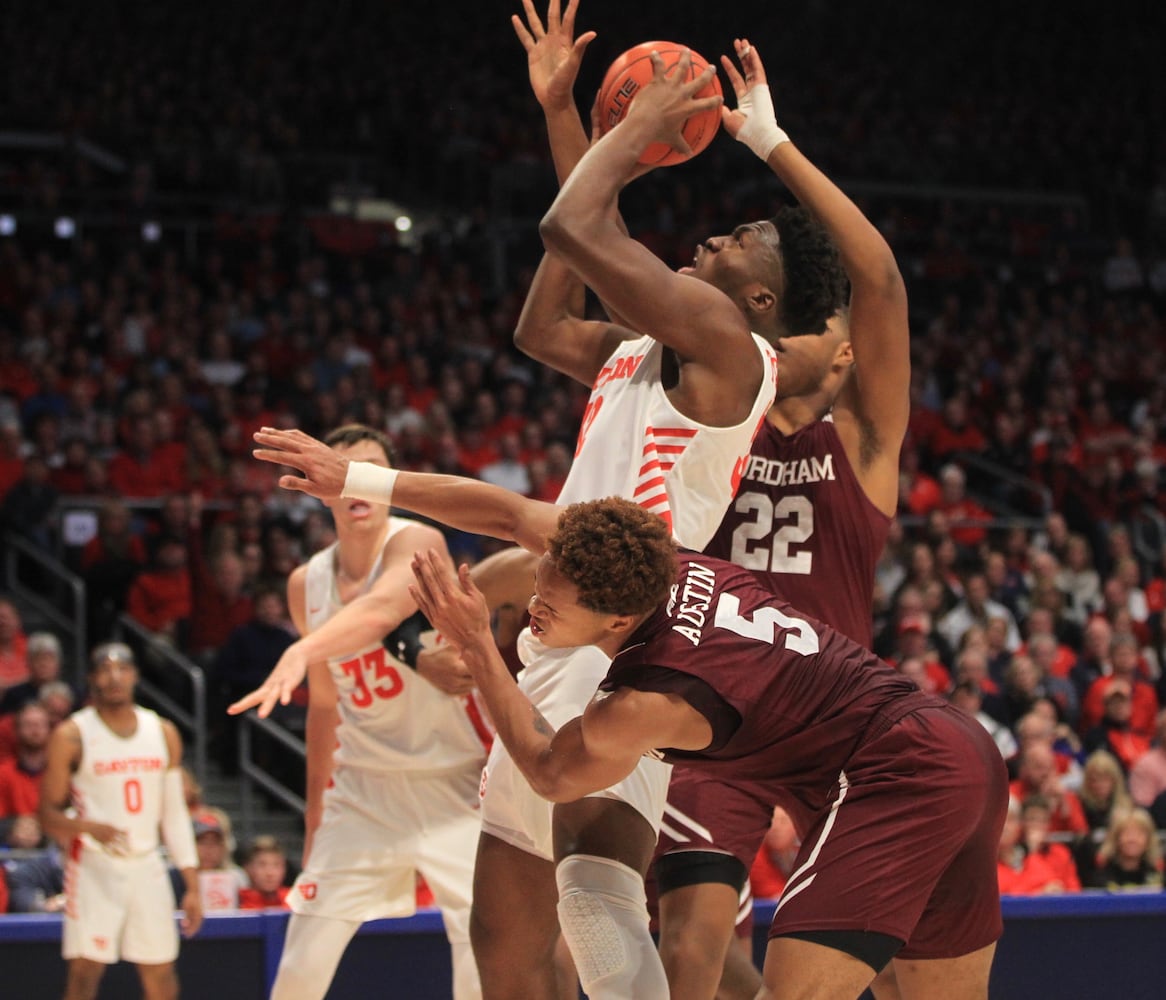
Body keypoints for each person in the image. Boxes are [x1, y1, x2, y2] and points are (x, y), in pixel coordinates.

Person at [243, 430, 1008, 1000]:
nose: (531, 612)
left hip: (893, 775)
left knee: (790, 990)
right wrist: (362, 478)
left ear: (614, 624)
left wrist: (480, 649)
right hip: (956, 746)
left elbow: (548, 771)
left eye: (549, 607)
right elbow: (509, 514)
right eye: (536, 592)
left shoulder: (647, 701)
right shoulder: (655, 559)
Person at [455, 8, 842, 997]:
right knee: (501, 941)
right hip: (552, 632)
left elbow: (572, 225)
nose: (712, 234)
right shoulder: (647, 343)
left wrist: (628, 136)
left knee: (593, 893)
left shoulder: (726, 350)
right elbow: (545, 319)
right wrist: (567, 118)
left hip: (623, 639)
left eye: (739, 241)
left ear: (757, 301)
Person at [640, 34, 911, 1000]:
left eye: (834, 334)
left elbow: (877, 279)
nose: (828, 338)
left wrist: (771, 140)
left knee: (885, 973)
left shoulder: (865, 447)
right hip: (718, 715)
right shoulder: (717, 416)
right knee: (691, 959)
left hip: (836, 722)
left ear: (847, 361)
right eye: (807, 322)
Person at [229, 425, 489, 1000]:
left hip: (456, 785)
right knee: (300, 964)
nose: (356, 481)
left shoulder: (417, 542)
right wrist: (315, 812)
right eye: (342, 468)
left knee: (481, 957)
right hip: (363, 792)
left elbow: (377, 611)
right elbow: (325, 706)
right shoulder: (306, 582)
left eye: (370, 467)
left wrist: (301, 648)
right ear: (320, 487)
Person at [38, 642, 202, 1000]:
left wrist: (192, 883)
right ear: (92, 678)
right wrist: (87, 827)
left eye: (122, 668)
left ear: (135, 676)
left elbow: (174, 814)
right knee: (84, 970)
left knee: (160, 971)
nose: (114, 677)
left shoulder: (162, 731)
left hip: (148, 865)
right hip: (95, 866)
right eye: (105, 669)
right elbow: (46, 815)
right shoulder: (72, 734)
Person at [238, 835, 292, 910]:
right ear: (248, 868)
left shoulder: (294, 900)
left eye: (276, 865)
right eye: (262, 865)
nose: (270, 873)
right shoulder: (237, 900)